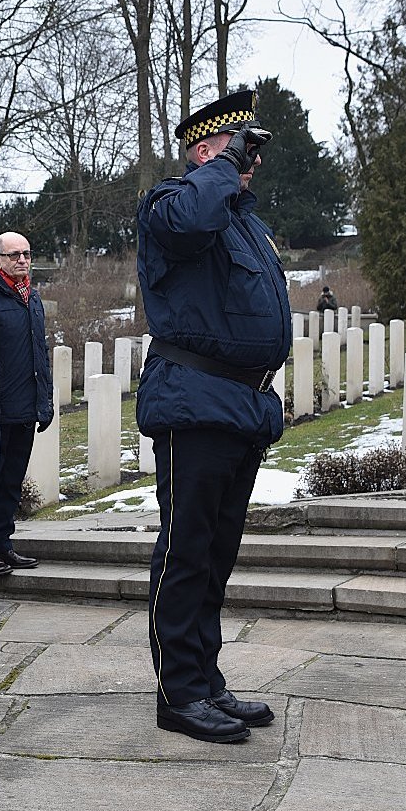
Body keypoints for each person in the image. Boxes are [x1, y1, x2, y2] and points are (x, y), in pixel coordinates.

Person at [136, 88, 290, 744]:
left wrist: (228, 174)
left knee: (217, 557)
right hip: (193, 402)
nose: (250, 161)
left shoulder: (240, 221)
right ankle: (179, 692)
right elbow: (191, 216)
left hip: (241, 405)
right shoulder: (171, 206)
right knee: (186, 553)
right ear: (206, 151)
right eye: (241, 147)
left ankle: (207, 679)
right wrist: (220, 167)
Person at [0, 232, 52, 576]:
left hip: (25, 407)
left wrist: (43, 402)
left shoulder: (31, 298)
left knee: (12, 482)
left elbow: (38, 354)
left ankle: (3, 544)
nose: (21, 260)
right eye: (14, 254)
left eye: (26, 254)